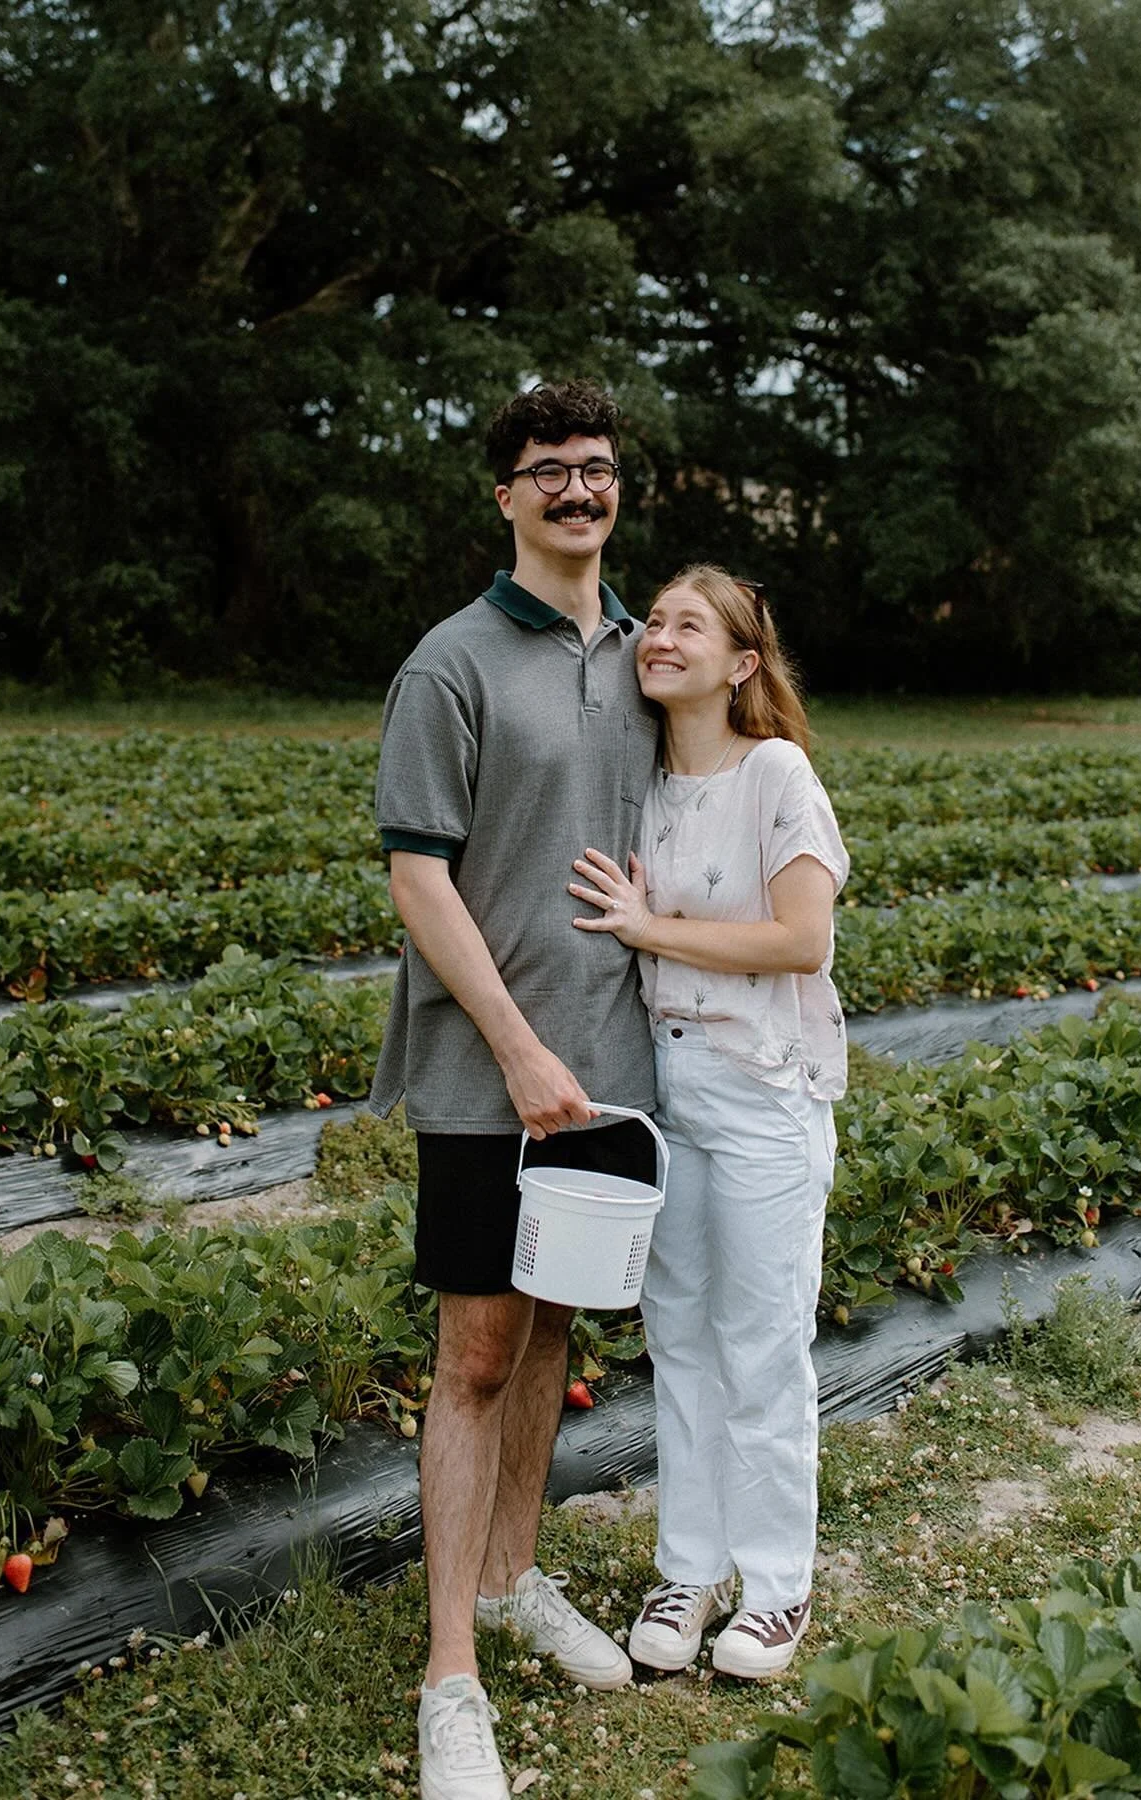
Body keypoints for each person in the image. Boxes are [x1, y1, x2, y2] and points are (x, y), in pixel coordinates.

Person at [371, 380, 660, 1800]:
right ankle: (450, 1680)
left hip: (613, 1064)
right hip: (495, 1073)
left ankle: (512, 1580)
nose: (575, 490)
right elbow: (418, 873)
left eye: (595, 468)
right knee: (476, 1355)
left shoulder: (647, 645)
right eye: (547, 471)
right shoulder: (454, 663)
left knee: (552, 1327)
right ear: (505, 498)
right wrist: (521, 1051)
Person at [569, 563, 848, 1681]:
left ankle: (777, 1588)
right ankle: (689, 1569)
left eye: (691, 625)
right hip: (665, 1092)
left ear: (741, 665)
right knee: (677, 1337)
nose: (660, 637)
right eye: (655, 622)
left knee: (764, 1340)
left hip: (766, 1093)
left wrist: (650, 930)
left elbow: (800, 942)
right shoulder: (639, 782)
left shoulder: (775, 772)